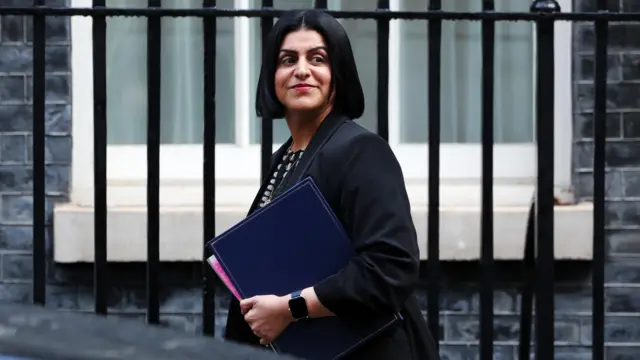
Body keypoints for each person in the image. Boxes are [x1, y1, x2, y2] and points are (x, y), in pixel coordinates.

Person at [223, 8, 440, 360]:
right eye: (287, 59)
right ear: (273, 75)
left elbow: (390, 267)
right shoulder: (286, 157)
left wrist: (289, 308)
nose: (302, 70)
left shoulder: (361, 151)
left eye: (318, 58)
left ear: (337, 74)